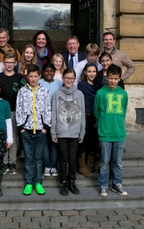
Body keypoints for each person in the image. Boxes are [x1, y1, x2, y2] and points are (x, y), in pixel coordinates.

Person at [16, 64, 51, 196]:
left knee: (38, 158)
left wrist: (45, 127)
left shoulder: (44, 91)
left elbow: (48, 109)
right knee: (28, 157)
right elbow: (18, 109)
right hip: (26, 129)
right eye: (31, 76)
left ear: (39, 76)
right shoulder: (22, 91)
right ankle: (29, 182)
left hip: (40, 129)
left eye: (35, 76)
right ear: (27, 77)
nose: (33, 78)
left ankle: (38, 182)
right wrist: (21, 127)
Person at [94, 64, 128, 197]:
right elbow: (97, 111)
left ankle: (116, 184)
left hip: (119, 133)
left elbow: (123, 112)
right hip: (105, 133)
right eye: (110, 78)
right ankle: (103, 184)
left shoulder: (123, 94)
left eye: (115, 78)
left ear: (119, 79)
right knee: (104, 162)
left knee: (118, 162)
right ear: (106, 77)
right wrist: (102, 124)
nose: (113, 81)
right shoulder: (100, 93)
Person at [51, 68, 85, 196]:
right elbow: (54, 113)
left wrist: (82, 132)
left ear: (74, 79)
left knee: (72, 159)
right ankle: (63, 183)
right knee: (63, 158)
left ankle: (72, 182)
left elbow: (82, 115)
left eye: (72, 78)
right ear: (63, 79)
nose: (69, 80)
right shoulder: (57, 94)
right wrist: (53, 132)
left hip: (75, 132)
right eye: (67, 78)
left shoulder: (79, 94)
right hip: (61, 132)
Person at [0, 52, 26, 175]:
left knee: (12, 137)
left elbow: (24, 95)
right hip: (1, 112)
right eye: (7, 62)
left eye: (11, 62)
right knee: (2, 137)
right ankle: (3, 162)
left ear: (15, 63)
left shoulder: (19, 78)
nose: (9, 65)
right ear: (3, 63)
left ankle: (12, 162)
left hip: (14, 112)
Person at [39, 63, 62, 177]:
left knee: (54, 141)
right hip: (42, 118)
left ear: (54, 72)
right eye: (46, 71)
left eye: (51, 71)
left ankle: (53, 165)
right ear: (43, 73)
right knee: (45, 143)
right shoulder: (39, 83)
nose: (49, 73)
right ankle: (47, 165)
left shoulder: (59, 83)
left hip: (56, 117)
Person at [77, 63, 98, 177]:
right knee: (83, 140)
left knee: (93, 141)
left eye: (94, 71)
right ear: (85, 72)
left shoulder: (97, 85)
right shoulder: (82, 85)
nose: (92, 74)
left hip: (95, 116)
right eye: (89, 71)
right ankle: (82, 167)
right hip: (85, 115)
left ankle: (89, 165)